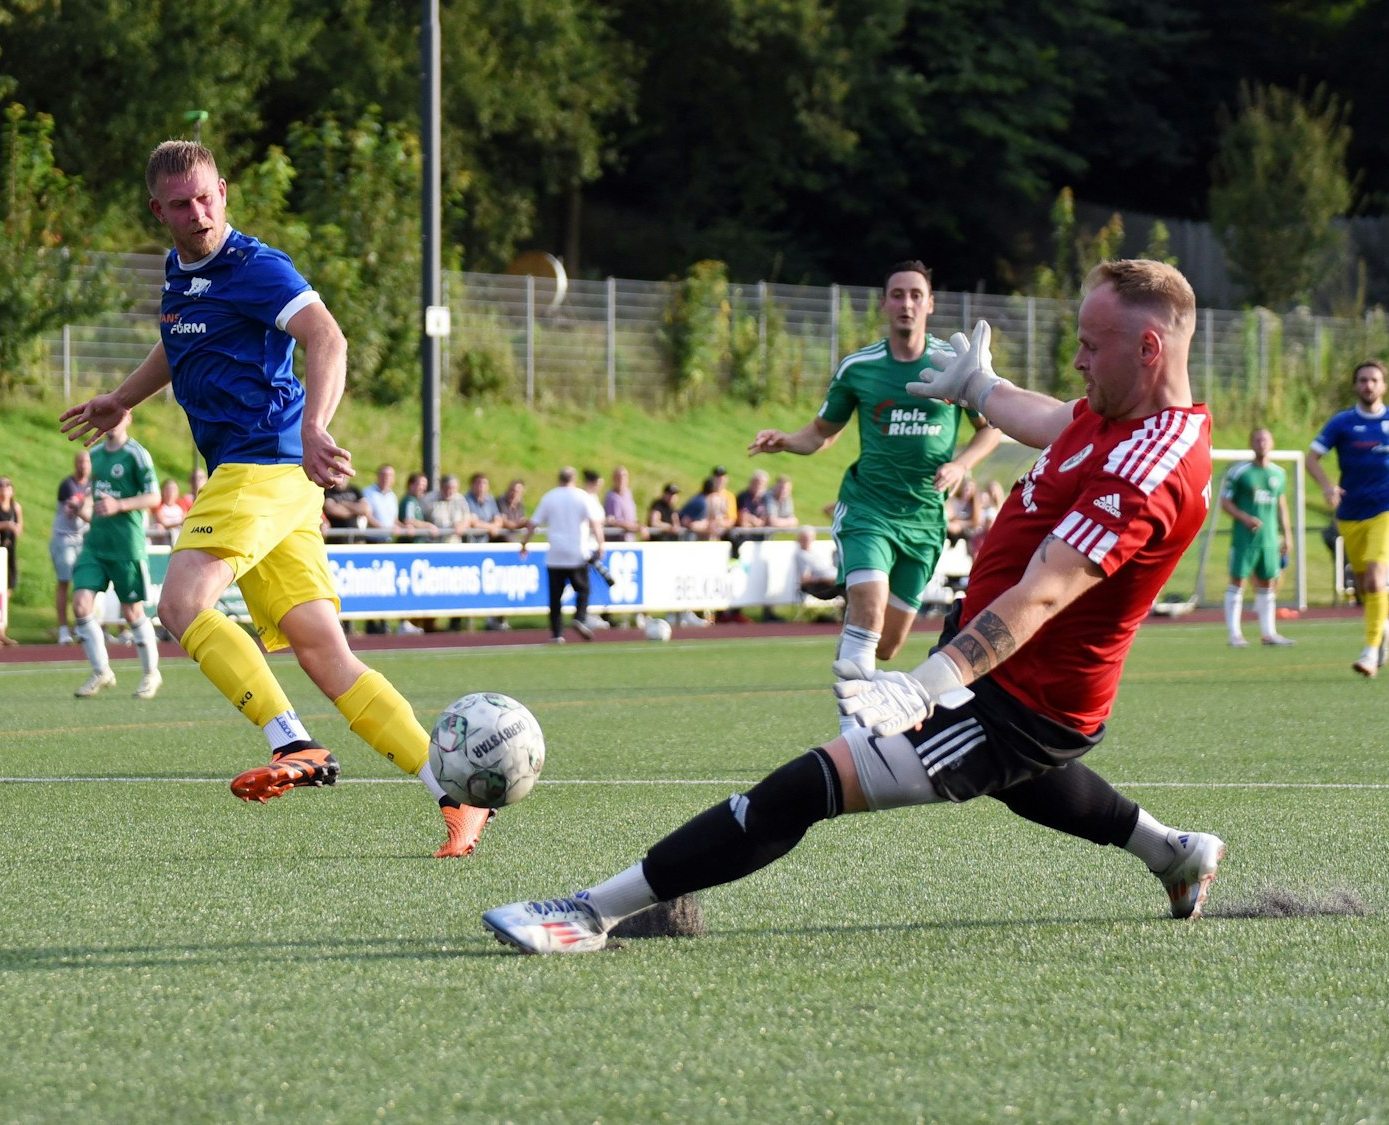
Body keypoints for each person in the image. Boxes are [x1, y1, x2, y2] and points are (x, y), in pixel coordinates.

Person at [484, 259, 1225, 953]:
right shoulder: (1120, 411)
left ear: (1150, 348)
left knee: (803, 788)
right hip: (1009, 680)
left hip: (1014, 700)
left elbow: (1046, 591)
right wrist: (980, 388)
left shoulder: (1149, 470)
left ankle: (592, 913)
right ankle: (1175, 853)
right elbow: (1051, 418)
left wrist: (927, 682)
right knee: (1034, 790)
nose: (1078, 360)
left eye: (1091, 346)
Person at [57, 139, 495, 858]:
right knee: (327, 653)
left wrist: (316, 425)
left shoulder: (256, 266)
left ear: (223, 191)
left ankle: (294, 741)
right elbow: (179, 342)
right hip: (273, 480)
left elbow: (327, 337)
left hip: (263, 463)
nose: (196, 215)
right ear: (157, 210)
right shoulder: (179, 269)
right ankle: (456, 797)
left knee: (180, 603)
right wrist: (121, 398)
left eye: (205, 198)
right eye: (179, 205)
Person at [747, 260, 1004, 734]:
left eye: (915, 295)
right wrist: (785, 439)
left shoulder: (953, 363)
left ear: (929, 303)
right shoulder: (859, 367)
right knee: (868, 602)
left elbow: (990, 431)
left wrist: (961, 464)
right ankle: (854, 733)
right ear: (885, 303)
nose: (906, 303)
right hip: (868, 508)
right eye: (897, 294)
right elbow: (821, 432)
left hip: (924, 520)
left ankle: (856, 640)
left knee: (887, 645)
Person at [1305, 360, 1389, 677]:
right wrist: (1328, 486)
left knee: (1376, 576)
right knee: (1362, 586)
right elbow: (1312, 457)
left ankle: (1370, 651)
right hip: (1350, 513)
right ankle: (1384, 626)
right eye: (1362, 380)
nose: (1368, 385)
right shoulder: (1342, 423)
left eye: (1374, 380)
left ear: (1384, 385)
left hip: (1388, 508)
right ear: (1355, 386)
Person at [62, 410, 164, 700]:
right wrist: (81, 510)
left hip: (125, 546)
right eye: (106, 416)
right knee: (81, 606)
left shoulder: (136, 454)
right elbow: (98, 502)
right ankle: (101, 671)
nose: (111, 421)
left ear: (128, 418)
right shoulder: (94, 455)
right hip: (95, 544)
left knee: (133, 612)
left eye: (117, 415)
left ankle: (151, 674)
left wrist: (120, 506)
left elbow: (154, 497)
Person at [1220, 427, 1294, 647]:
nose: (1262, 443)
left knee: (1268, 583)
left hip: (1269, 539)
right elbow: (1225, 502)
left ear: (1272, 443)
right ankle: (1235, 635)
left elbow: (1282, 506)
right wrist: (1245, 518)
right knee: (1238, 580)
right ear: (1251, 443)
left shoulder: (1279, 473)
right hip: (1244, 538)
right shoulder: (1239, 472)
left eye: (1265, 439)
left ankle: (1268, 633)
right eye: (1258, 439)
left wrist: (1287, 536)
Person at [521, 466, 607, 643]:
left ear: (559, 479)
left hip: (555, 554)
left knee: (555, 596)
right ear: (574, 479)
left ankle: (557, 634)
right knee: (583, 589)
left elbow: (533, 523)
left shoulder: (550, 497)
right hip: (577, 552)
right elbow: (595, 522)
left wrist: (524, 543)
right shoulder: (582, 496)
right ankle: (579, 617)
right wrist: (601, 544)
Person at [53, 450, 94, 644]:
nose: (83, 465)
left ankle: (80, 625)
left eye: (87, 461)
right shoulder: (67, 485)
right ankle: (63, 629)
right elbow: (76, 511)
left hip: (83, 539)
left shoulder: (92, 485)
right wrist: (98, 519)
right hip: (64, 539)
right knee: (64, 581)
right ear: (75, 463)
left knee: (83, 582)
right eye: (80, 461)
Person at [0, 476, 24, 646]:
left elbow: (19, 528)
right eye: (0, 485)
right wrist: (6, 524)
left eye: (8, 484)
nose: (4, 488)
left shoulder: (16, 507)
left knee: (7, 590)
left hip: (9, 550)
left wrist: (14, 527)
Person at [362, 463, 400, 543]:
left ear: (393, 479)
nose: (386, 478)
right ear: (378, 476)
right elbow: (366, 516)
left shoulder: (392, 496)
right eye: (383, 475)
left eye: (390, 475)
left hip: (387, 540)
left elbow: (394, 520)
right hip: (371, 540)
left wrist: (405, 527)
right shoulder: (367, 492)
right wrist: (383, 528)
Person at [460, 472, 503, 542]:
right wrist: (491, 527)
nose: (482, 486)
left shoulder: (490, 499)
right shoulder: (465, 500)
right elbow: (473, 522)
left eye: (484, 483)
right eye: (478, 483)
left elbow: (498, 519)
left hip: (486, 540)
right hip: (470, 541)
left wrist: (495, 526)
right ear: (472, 485)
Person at [426, 473, 468, 542]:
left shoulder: (460, 500)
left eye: (452, 488)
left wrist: (462, 525)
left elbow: (467, 517)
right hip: (434, 544)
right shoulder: (429, 500)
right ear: (441, 487)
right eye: (446, 488)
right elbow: (419, 517)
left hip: (454, 543)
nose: (449, 491)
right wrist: (427, 526)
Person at [602, 466, 640, 540]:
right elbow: (614, 521)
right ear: (613, 480)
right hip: (616, 540)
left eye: (624, 477)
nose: (621, 480)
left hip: (629, 538)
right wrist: (636, 527)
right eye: (619, 478)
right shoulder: (611, 497)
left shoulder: (628, 494)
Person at [149, 479, 188, 546]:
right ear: (162, 491)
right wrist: (180, 523)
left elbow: (186, 520)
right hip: (161, 544)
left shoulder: (181, 505)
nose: (171, 492)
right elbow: (163, 523)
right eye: (168, 489)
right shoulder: (158, 505)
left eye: (173, 490)